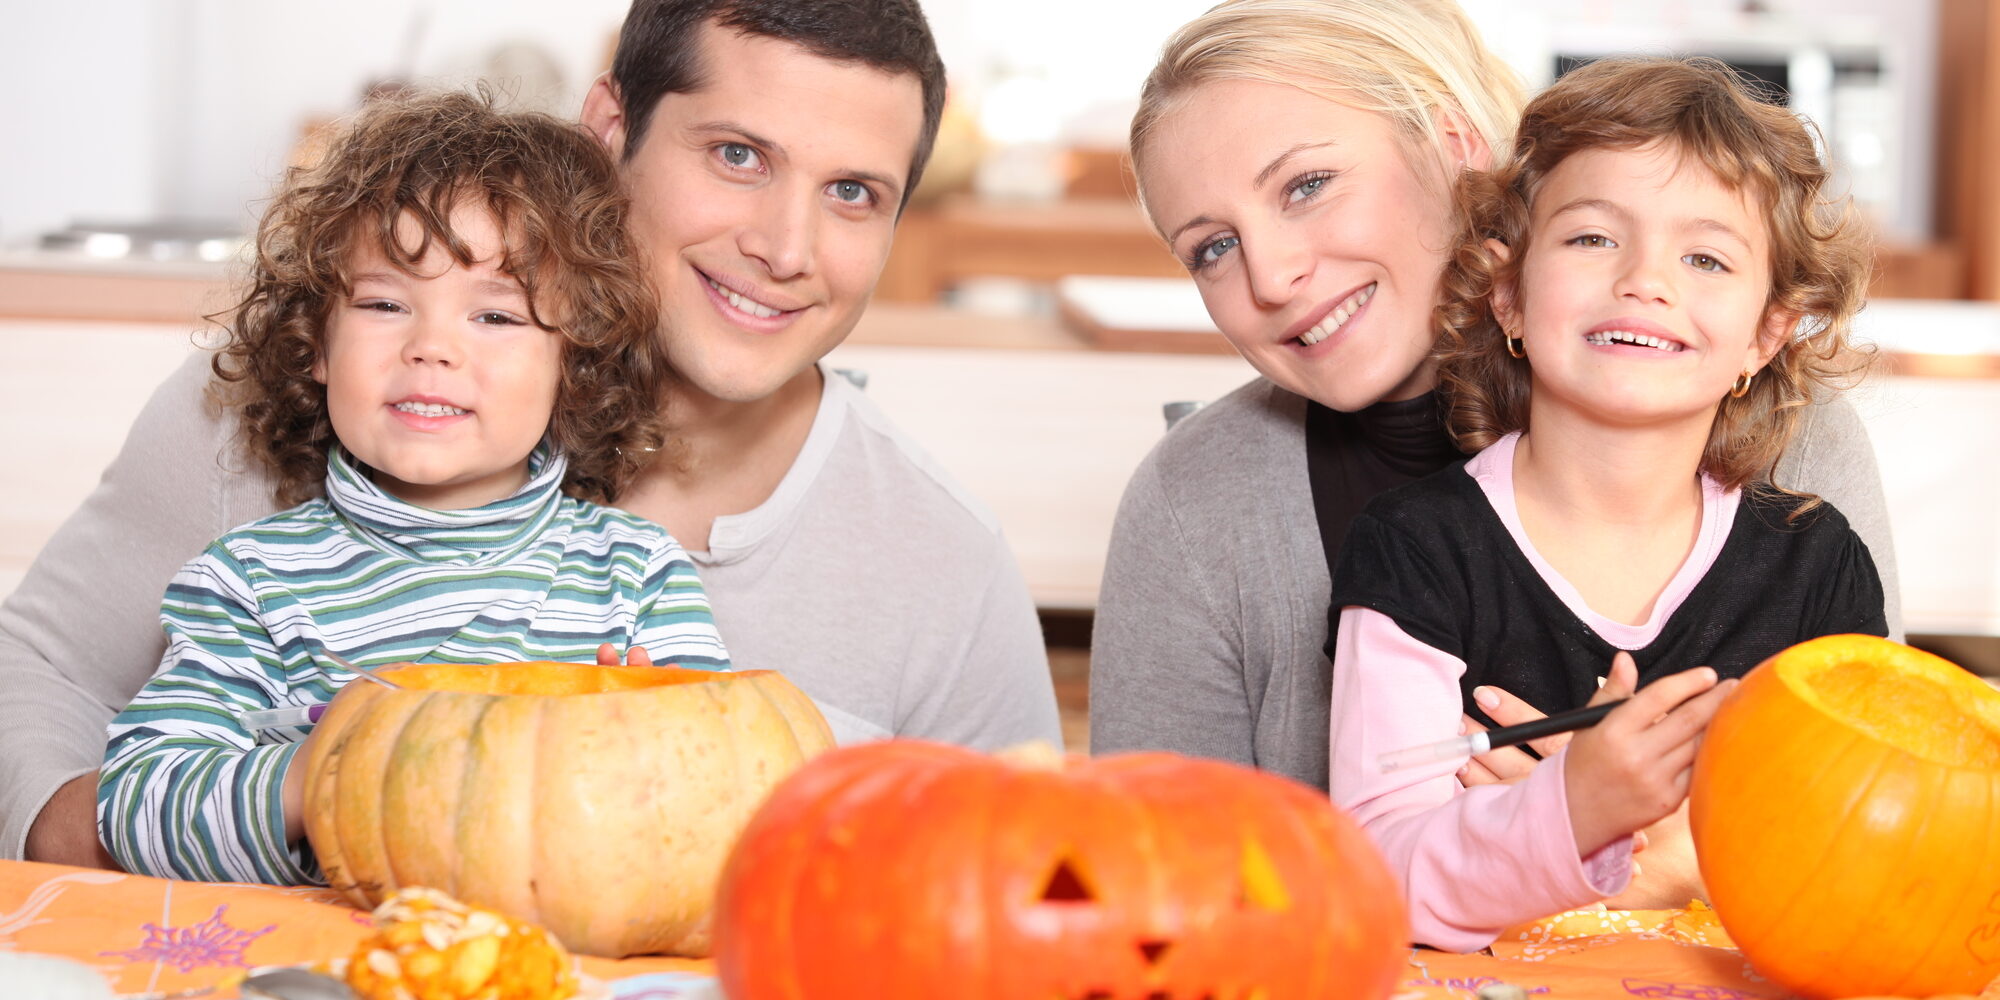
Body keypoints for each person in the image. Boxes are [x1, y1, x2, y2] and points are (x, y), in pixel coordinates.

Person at [5, 0, 1060, 868]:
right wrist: (94, 830)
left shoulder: (945, 566)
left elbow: (1014, 886)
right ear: (609, 129)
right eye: (737, 154)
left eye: (850, 191)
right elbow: (39, 669)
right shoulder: (272, 409)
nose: (784, 247)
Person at [1095, 0, 1898, 819]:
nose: (1270, 275)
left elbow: (1871, 819)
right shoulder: (1192, 500)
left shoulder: (1794, 437)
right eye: (1213, 248)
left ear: (1455, 152)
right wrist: (1551, 827)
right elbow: (1156, 879)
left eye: (1307, 186)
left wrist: (1627, 836)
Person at [96, 91, 733, 884]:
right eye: (385, 303)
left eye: (496, 318)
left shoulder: (635, 575)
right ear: (317, 341)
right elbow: (136, 807)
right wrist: (318, 773)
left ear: (574, 363)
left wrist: (657, 743)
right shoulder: (250, 585)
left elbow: (722, 800)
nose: (431, 347)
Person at [1328, 55, 1885, 950]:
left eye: (1705, 256)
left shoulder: (1818, 569)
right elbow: (1371, 870)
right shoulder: (1413, 552)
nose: (1645, 280)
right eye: (1592, 237)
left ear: (1766, 333)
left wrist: (1648, 852)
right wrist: (1580, 808)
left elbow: (1867, 866)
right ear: (1507, 291)